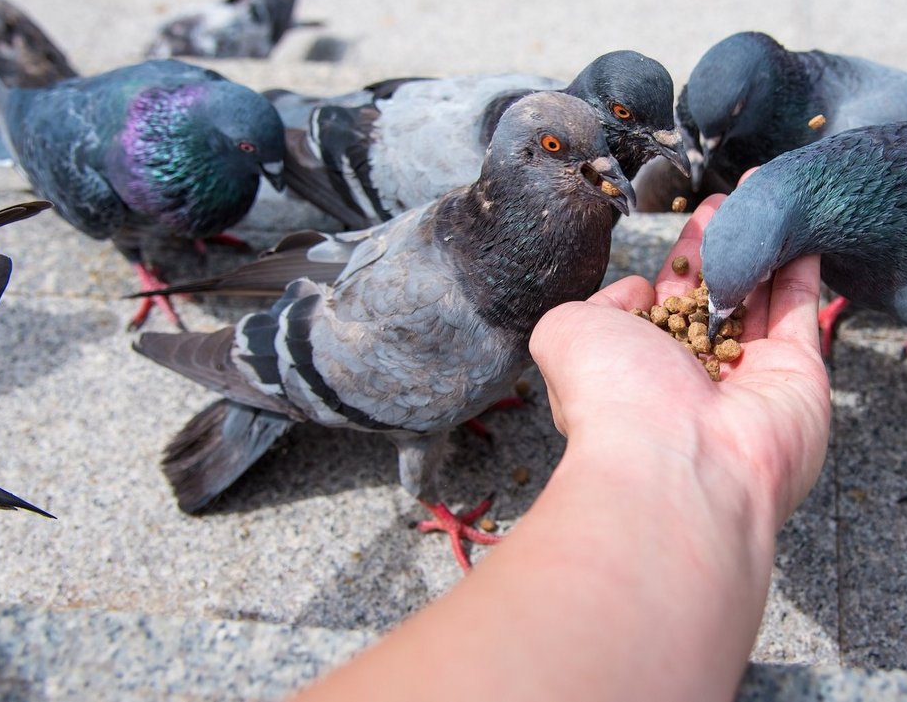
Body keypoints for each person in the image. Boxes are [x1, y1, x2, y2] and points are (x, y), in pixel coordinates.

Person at [291, 194, 833, 702]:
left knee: (458, 391)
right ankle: (436, 506)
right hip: (326, 357)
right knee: (438, 404)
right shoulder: (450, 313)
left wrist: (666, 445)